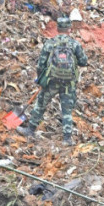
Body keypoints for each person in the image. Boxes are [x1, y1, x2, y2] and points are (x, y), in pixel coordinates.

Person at [16, 17, 88, 146]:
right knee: (67, 110)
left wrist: (41, 79)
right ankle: (67, 139)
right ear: (70, 29)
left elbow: (41, 64)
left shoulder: (50, 43)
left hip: (51, 82)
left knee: (41, 105)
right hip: (68, 84)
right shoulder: (75, 44)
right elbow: (84, 62)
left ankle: (30, 130)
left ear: (57, 28)